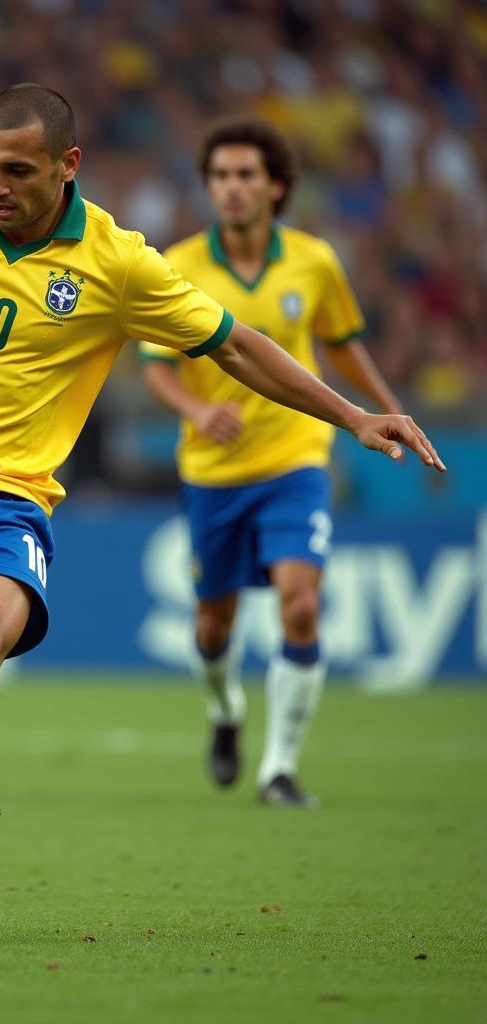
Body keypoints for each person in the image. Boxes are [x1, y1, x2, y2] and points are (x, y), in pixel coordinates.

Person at [0, 84, 443, 829]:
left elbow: (233, 343)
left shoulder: (117, 264)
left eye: (17, 171)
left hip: (0, 506)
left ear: (68, 164)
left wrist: (353, 414)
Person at [140, 117, 406, 807]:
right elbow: (155, 366)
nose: (231, 188)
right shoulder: (178, 264)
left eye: (245, 175)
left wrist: (384, 405)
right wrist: (196, 412)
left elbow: (342, 343)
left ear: (276, 186)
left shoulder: (315, 262)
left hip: (296, 460)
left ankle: (279, 770)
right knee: (213, 626)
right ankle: (226, 713)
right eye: (220, 176)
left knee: (301, 603)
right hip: (213, 472)